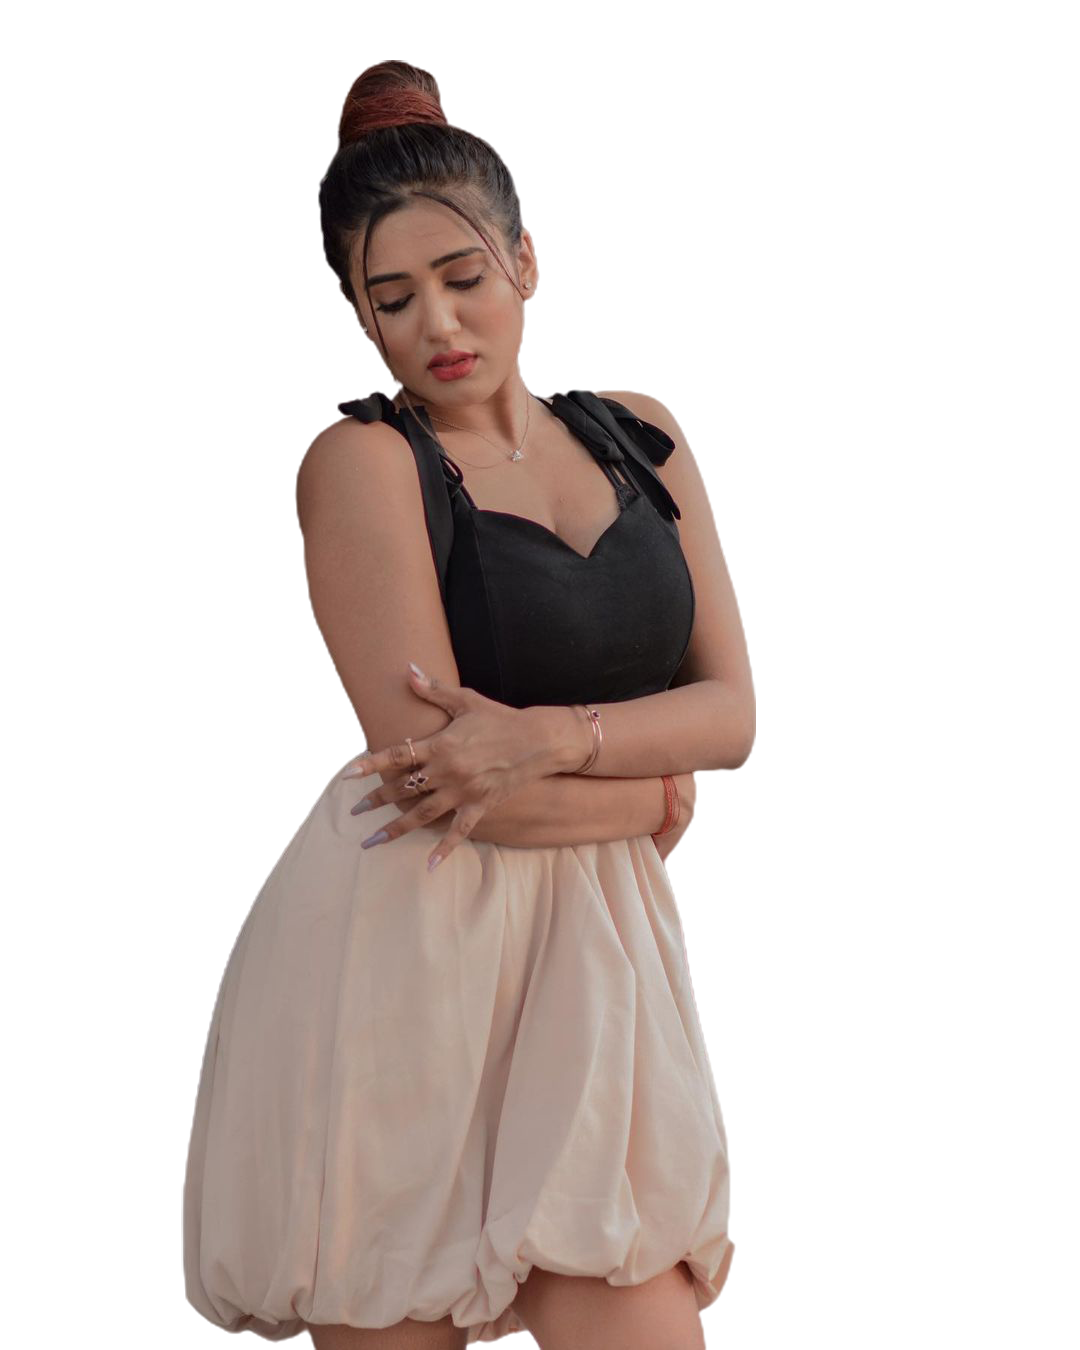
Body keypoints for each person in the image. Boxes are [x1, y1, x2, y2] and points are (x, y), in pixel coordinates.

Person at [182, 60, 755, 1350]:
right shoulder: (366, 462)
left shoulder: (644, 436)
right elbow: (442, 785)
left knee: (640, 1309)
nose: (437, 321)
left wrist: (551, 739)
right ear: (360, 317)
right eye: (392, 299)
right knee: (392, 1295)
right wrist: (657, 790)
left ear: (526, 263)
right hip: (407, 941)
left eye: (463, 276)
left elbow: (736, 711)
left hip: (596, 949)